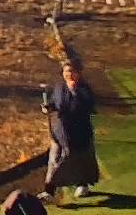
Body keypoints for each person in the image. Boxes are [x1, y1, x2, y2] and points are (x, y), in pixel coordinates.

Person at [40, 61, 98, 203]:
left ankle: (82, 184)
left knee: (80, 159)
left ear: (79, 73)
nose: (69, 74)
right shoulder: (59, 87)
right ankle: (49, 191)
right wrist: (48, 108)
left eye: (72, 71)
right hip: (60, 132)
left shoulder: (84, 89)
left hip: (80, 132)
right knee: (55, 160)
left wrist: (75, 94)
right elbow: (55, 103)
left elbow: (88, 107)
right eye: (66, 71)